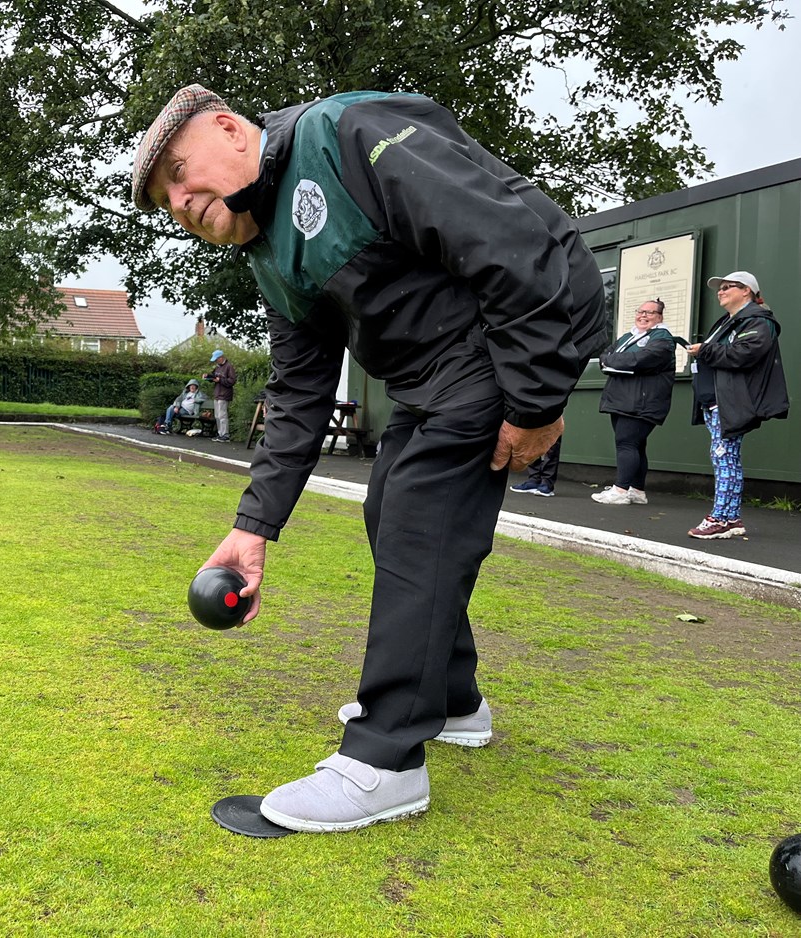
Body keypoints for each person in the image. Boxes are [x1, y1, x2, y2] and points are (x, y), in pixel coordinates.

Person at [133, 85, 606, 833]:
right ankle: (454, 700)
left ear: (230, 128)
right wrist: (252, 529)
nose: (182, 202)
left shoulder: (346, 135)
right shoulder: (269, 258)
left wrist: (537, 400)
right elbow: (298, 395)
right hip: (432, 373)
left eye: (183, 174)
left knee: (420, 519)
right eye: (168, 202)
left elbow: (506, 241)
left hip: (503, 332)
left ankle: (386, 761)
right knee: (388, 510)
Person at [685, 272, 788, 539]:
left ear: (747, 291)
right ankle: (731, 518)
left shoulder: (758, 321)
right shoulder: (728, 322)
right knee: (724, 458)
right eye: (720, 288)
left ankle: (719, 518)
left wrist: (704, 350)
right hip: (714, 403)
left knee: (724, 458)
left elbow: (745, 354)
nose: (721, 291)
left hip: (731, 403)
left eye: (728, 287)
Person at [590, 298, 678, 505]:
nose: (643, 316)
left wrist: (613, 361)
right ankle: (637, 491)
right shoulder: (629, 336)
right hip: (622, 400)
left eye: (650, 313)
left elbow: (639, 360)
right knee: (636, 446)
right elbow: (605, 356)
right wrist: (612, 361)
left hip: (641, 402)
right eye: (640, 312)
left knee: (626, 443)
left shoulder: (663, 339)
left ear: (660, 317)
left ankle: (620, 491)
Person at [203, 349, 237, 442]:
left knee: (222, 415)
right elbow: (214, 376)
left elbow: (232, 381)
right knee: (217, 415)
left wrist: (220, 380)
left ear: (221, 357)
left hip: (224, 394)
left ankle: (225, 435)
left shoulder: (229, 367)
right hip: (217, 393)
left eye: (216, 359)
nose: (215, 361)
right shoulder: (218, 367)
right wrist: (208, 377)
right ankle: (220, 433)